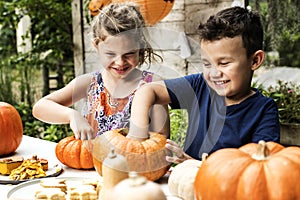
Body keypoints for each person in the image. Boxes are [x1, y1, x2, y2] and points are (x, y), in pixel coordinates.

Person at [127, 6, 280, 163]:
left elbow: (259, 169)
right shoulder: (199, 86)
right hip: (184, 182)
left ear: (255, 60)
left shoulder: (264, 111)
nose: (214, 73)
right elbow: (148, 90)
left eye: (224, 63)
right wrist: (137, 133)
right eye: (207, 64)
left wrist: (196, 166)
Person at [32, 2, 169, 140]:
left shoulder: (153, 85)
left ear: (140, 46)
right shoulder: (89, 83)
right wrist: (72, 115)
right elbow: (40, 107)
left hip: (136, 160)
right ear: (96, 46)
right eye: (110, 54)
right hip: (90, 161)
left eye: (129, 54)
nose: (120, 62)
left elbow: (161, 140)